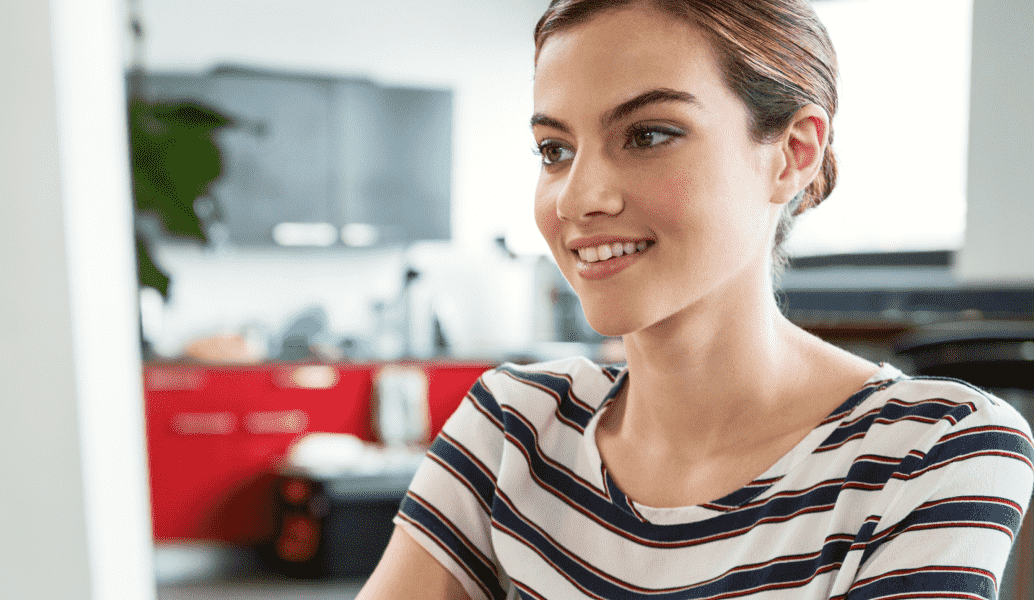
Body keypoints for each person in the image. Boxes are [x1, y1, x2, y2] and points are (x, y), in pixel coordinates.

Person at [356, 1, 1034, 598]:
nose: (578, 197)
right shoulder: (515, 427)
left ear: (792, 154)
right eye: (554, 149)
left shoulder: (933, 451)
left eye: (648, 135)